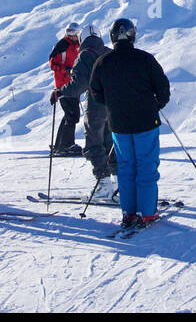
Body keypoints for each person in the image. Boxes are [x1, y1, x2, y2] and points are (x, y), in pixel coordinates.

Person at [88, 19, 170, 230]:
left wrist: (114, 106)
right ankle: (148, 212)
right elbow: (163, 88)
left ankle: (129, 212)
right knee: (146, 166)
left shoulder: (103, 62)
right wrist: (154, 105)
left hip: (119, 124)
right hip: (145, 122)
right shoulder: (145, 59)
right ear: (133, 35)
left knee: (125, 167)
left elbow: (96, 92)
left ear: (112, 36)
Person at [57, 23, 116, 195]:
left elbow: (79, 84)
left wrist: (61, 91)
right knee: (110, 143)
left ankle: (103, 184)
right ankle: (118, 182)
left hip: (96, 105)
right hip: (113, 105)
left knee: (93, 142)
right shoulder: (108, 53)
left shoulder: (84, 55)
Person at [48, 22, 83, 156]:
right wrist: (66, 70)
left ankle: (61, 144)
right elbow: (52, 63)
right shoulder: (63, 44)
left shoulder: (77, 46)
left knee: (71, 115)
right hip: (63, 85)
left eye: (74, 33)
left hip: (73, 85)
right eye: (70, 33)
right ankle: (66, 144)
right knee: (72, 115)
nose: (72, 36)